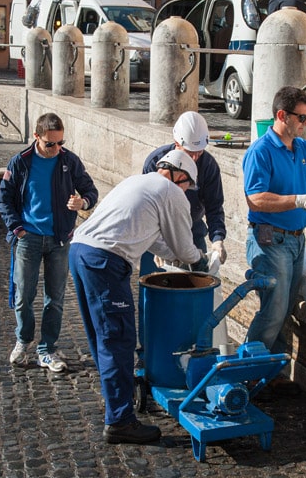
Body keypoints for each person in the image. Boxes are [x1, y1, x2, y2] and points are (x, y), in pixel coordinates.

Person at [69, 150, 210, 444]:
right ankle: (120, 421)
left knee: (102, 337)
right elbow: (184, 248)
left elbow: (158, 241)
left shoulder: (138, 182)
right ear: (179, 176)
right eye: (187, 186)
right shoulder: (172, 192)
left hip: (80, 250)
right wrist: (198, 260)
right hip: (105, 261)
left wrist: (180, 256)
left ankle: (115, 402)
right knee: (117, 339)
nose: (186, 192)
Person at [241, 86, 306, 354]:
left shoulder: (303, 149)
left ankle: (271, 372)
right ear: (281, 115)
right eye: (302, 118)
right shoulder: (261, 152)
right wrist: (299, 200)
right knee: (273, 310)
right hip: (269, 239)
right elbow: (256, 199)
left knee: (285, 308)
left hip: (296, 241)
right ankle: (248, 373)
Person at [0, 113, 98, 373]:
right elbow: (3, 199)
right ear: (36, 137)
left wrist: (82, 203)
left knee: (55, 299)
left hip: (59, 240)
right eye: (50, 143)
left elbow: (90, 191)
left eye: (60, 142)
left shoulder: (69, 161)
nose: (56, 148)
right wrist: (18, 229)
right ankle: (23, 341)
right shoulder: (20, 162)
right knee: (23, 297)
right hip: (27, 238)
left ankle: (47, 349)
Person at [139, 111, 227, 275]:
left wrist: (217, 239)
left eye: (199, 152)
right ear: (176, 143)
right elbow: (146, 209)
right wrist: (157, 245)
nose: (193, 158)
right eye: (189, 152)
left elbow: (214, 207)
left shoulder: (208, 166)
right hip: (156, 233)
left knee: (197, 282)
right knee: (154, 289)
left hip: (192, 231)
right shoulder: (155, 162)